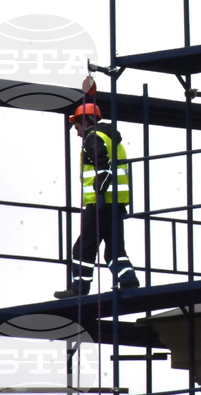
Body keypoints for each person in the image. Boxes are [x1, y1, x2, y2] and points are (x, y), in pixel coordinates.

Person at [53, 103, 139, 298]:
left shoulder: (93, 137)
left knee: (84, 247)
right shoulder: (111, 138)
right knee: (114, 249)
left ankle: (79, 289)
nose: (77, 133)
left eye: (77, 127)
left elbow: (103, 168)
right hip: (115, 202)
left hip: (100, 203)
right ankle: (128, 281)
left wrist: (99, 192)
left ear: (86, 121)